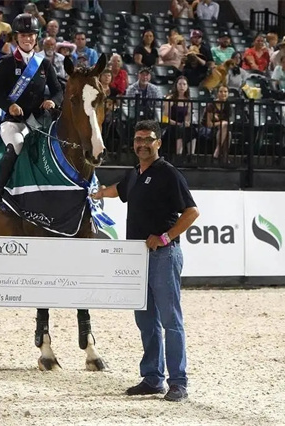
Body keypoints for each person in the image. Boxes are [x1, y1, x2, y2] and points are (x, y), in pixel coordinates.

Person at [91, 119, 199, 403]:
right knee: (146, 321)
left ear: (158, 143)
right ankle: (153, 378)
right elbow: (120, 189)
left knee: (171, 321)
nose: (142, 144)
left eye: (148, 139)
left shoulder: (168, 173)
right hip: (138, 259)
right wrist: (99, 192)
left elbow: (192, 212)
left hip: (164, 256)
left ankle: (178, 382)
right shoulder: (136, 173)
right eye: (138, 140)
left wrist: (165, 237)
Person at [0, 13, 62, 206]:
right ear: (16, 37)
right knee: (17, 144)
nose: (27, 39)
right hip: (14, 122)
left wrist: (53, 102)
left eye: (30, 35)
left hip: (38, 121)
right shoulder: (6, 62)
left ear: (36, 37)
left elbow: (58, 91)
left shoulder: (44, 64)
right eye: (23, 35)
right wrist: (9, 105)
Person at [162, 76, 193, 158]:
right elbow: (165, 118)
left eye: (184, 84)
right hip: (171, 124)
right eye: (180, 84)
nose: (182, 86)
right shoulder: (170, 99)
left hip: (183, 125)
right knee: (179, 130)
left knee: (192, 130)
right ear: (176, 85)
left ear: (187, 86)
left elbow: (188, 114)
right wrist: (177, 123)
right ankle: (178, 155)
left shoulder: (188, 101)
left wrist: (186, 122)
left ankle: (191, 156)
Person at [202, 85, 231, 163]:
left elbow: (227, 121)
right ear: (217, 93)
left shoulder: (227, 105)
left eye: (225, 92)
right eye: (221, 91)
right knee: (225, 129)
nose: (223, 94)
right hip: (208, 129)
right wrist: (221, 123)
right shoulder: (211, 105)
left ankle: (219, 154)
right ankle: (222, 157)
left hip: (221, 129)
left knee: (227, 132)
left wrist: (222, 124)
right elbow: (209, 124)